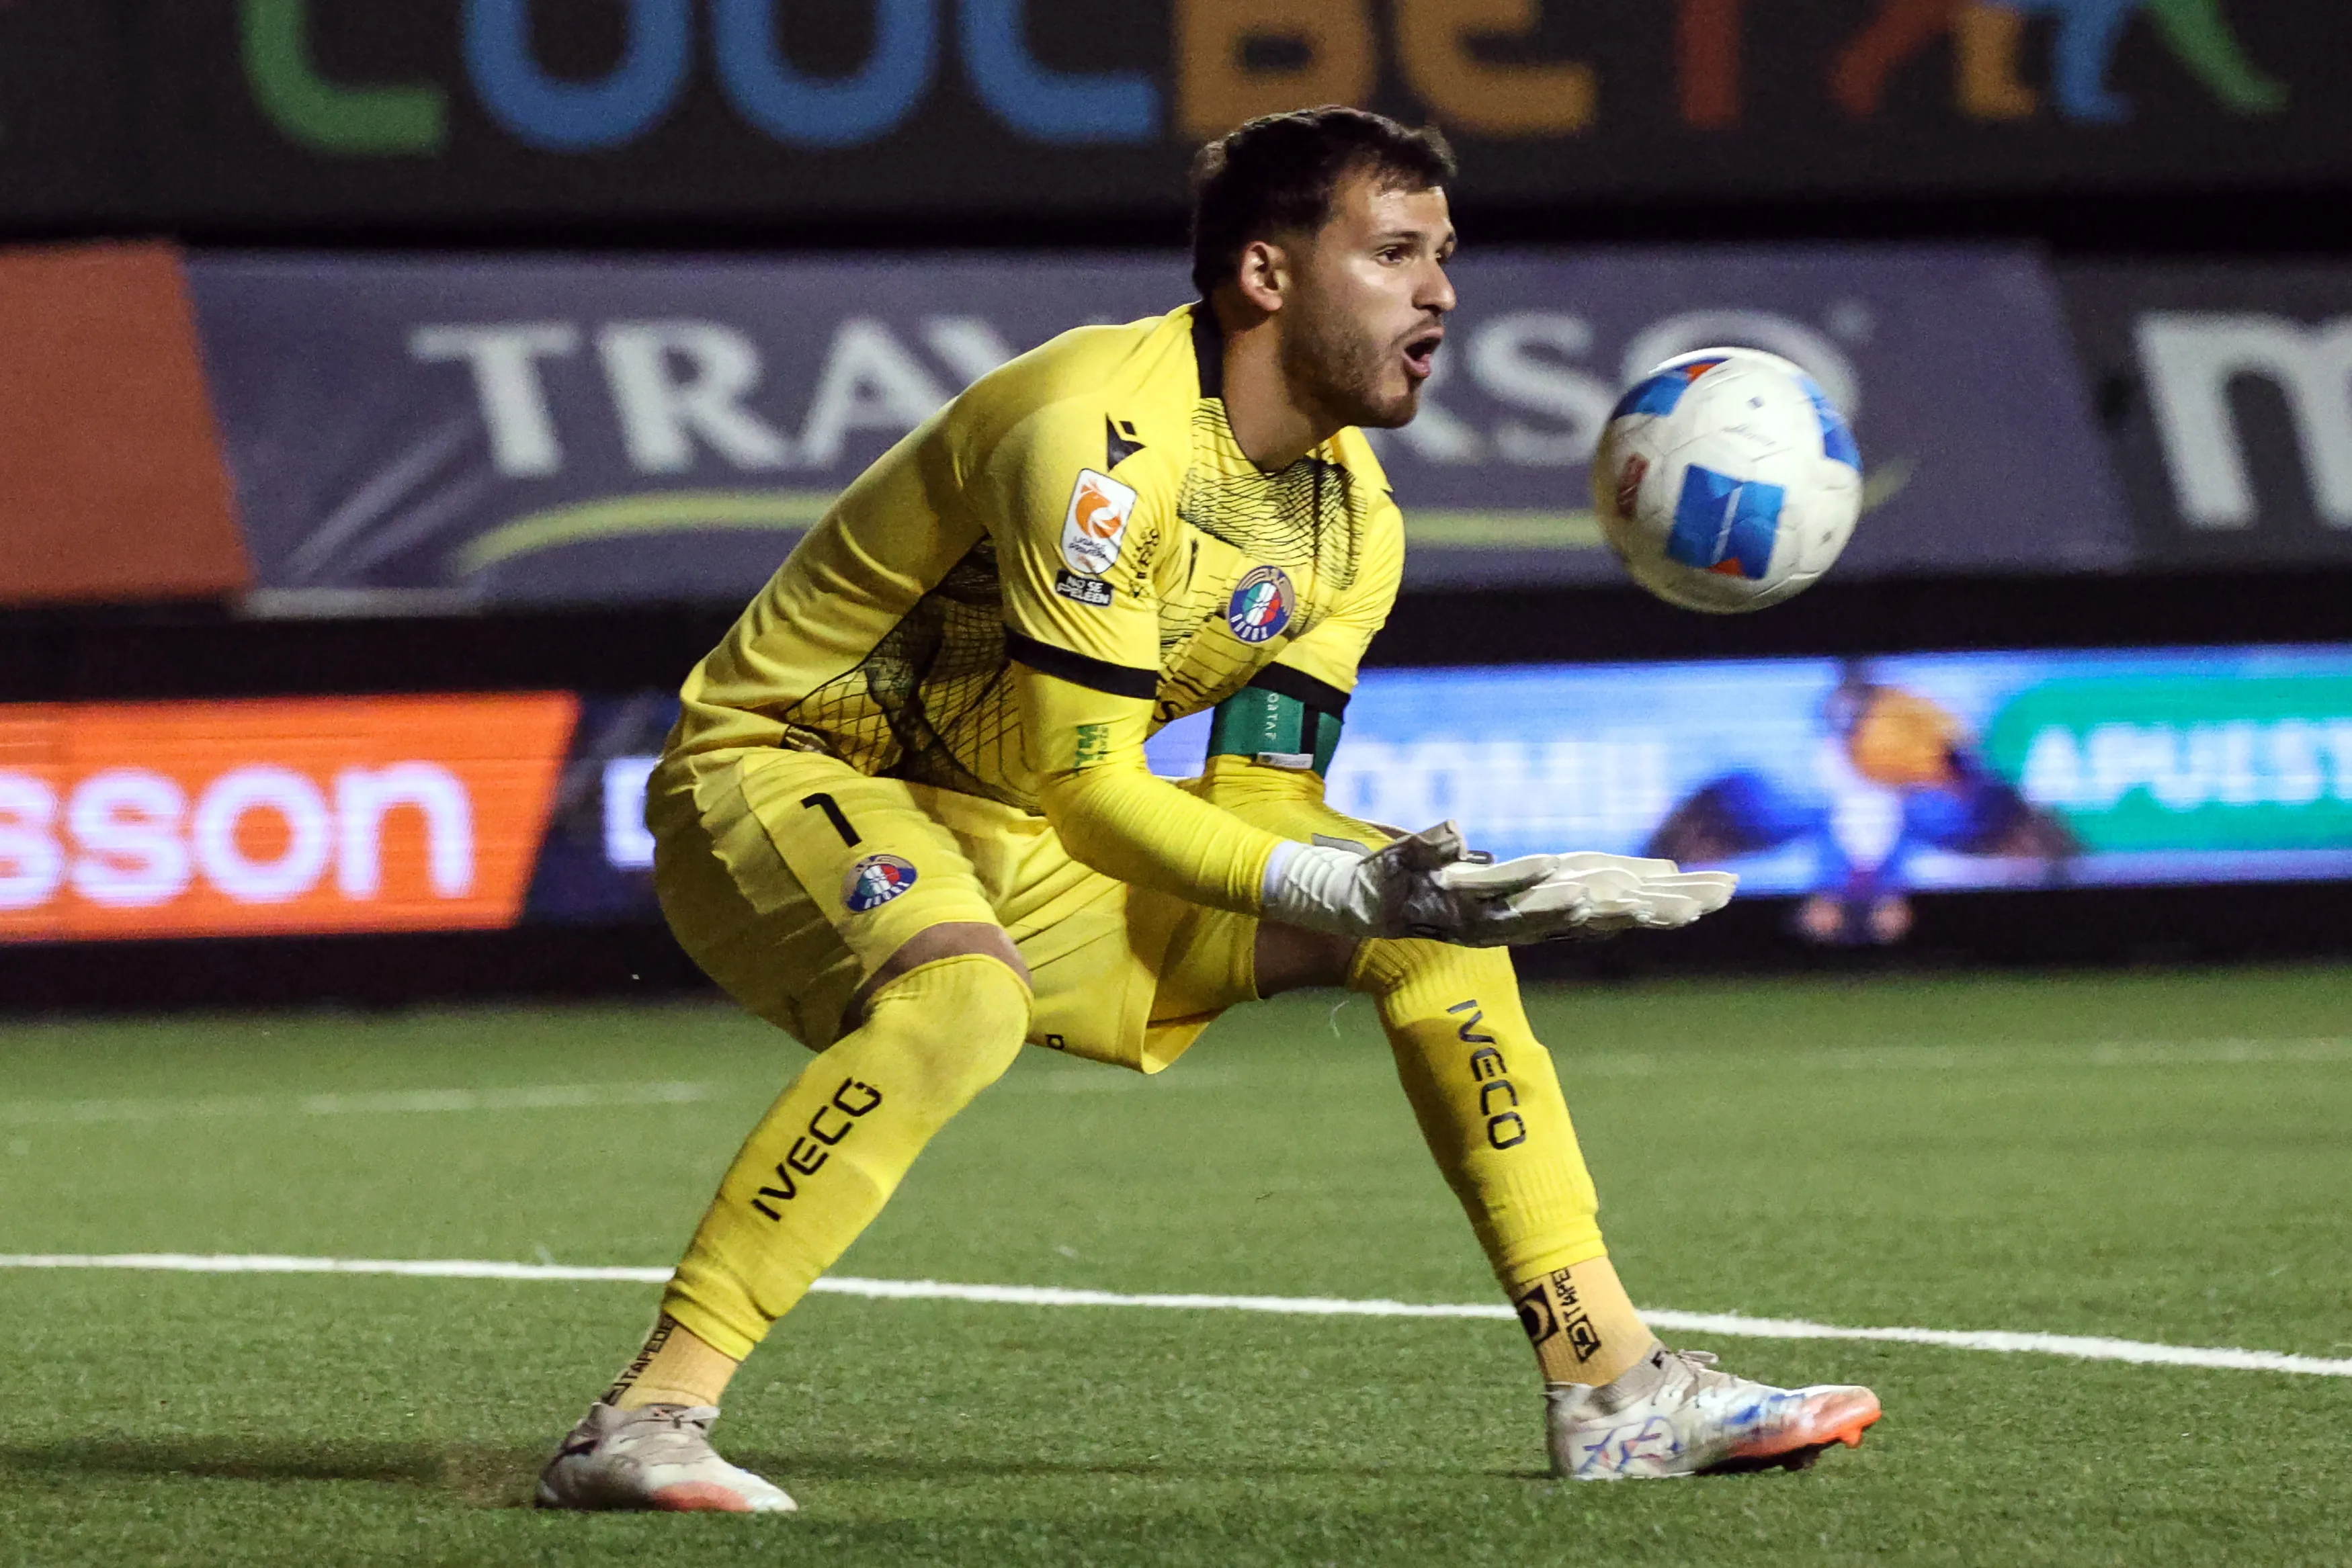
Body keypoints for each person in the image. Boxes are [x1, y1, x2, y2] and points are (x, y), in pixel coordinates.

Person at [536, 107, 1880, 1512]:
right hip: (784, 774)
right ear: (1265, 274)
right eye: (1395, 253)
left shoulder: (1355, 523)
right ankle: (643, 1419)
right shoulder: (1095, 444)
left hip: (1011, 838)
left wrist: (1448, 887)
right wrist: (1342, 881)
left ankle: (1614, 1392)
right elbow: (1096, 792)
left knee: (1436, 946)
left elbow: (1259, 798)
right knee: (964, 999)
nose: (1440, 293)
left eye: (1444, 256)